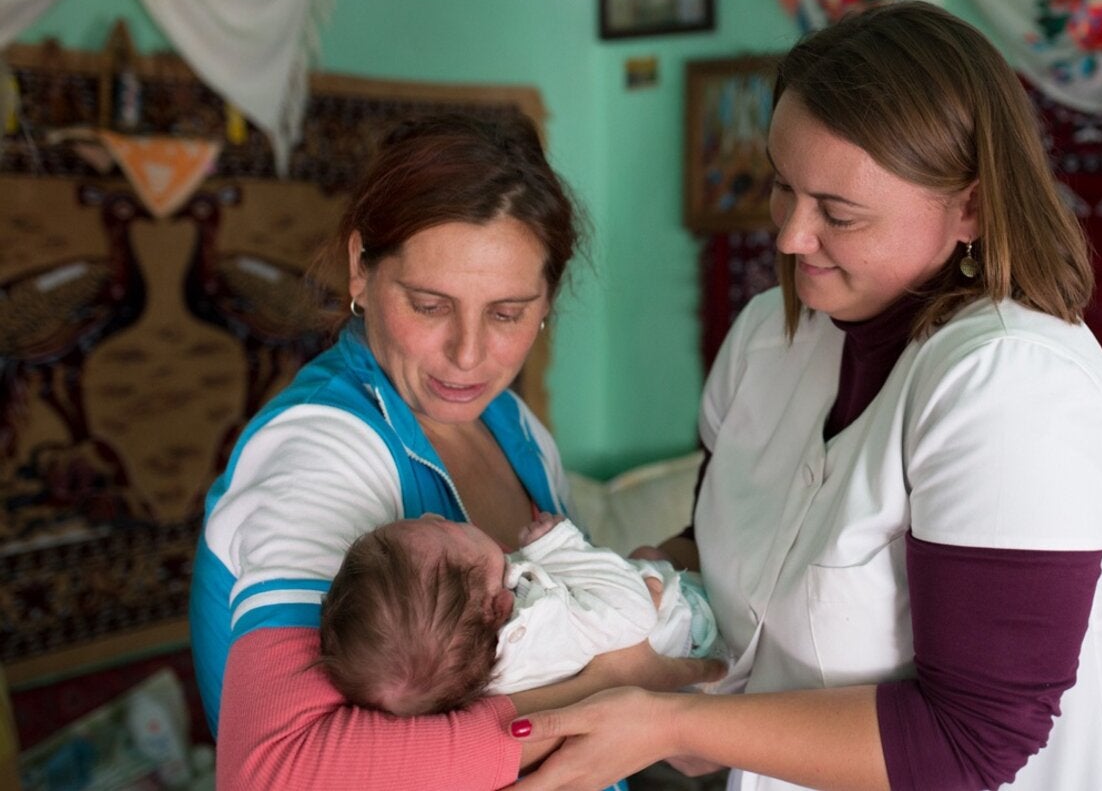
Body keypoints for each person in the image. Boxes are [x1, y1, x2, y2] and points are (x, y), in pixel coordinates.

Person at [509, 3, 1102, 791]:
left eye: (838, 213)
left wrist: (673, 722)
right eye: (782, 187)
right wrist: (631, 594)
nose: (788, 236)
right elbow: (728, 549)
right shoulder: (768, 337)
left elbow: (973, 740)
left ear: (971, 206)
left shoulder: (1013, 386)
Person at [187, 111, 722, 789]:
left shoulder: (513, 427)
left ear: (548, 298)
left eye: (507, 313)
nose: (469, 355)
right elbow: (273, 771)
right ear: (361, 269)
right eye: (430, 305)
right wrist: (616, 686)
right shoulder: (324, 453)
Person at [319, 511, 722, 714]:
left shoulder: (475, 653)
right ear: (498, 605)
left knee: (647, 559)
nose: (431, 515)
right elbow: (635, 613)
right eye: (446, 529)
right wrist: (558, 546)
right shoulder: (538, 631)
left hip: (657, 626)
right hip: (696, 628)